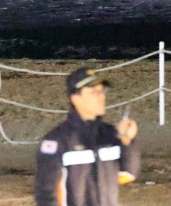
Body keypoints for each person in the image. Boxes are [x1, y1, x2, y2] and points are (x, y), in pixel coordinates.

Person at [35, 67, 140, 206]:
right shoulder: (57, 140)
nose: (101, 96)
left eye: (102, 91)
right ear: (75, 98)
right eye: (94, 92)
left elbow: (127, 175)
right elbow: (45, 194)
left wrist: (127, 142)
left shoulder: (110, 135)